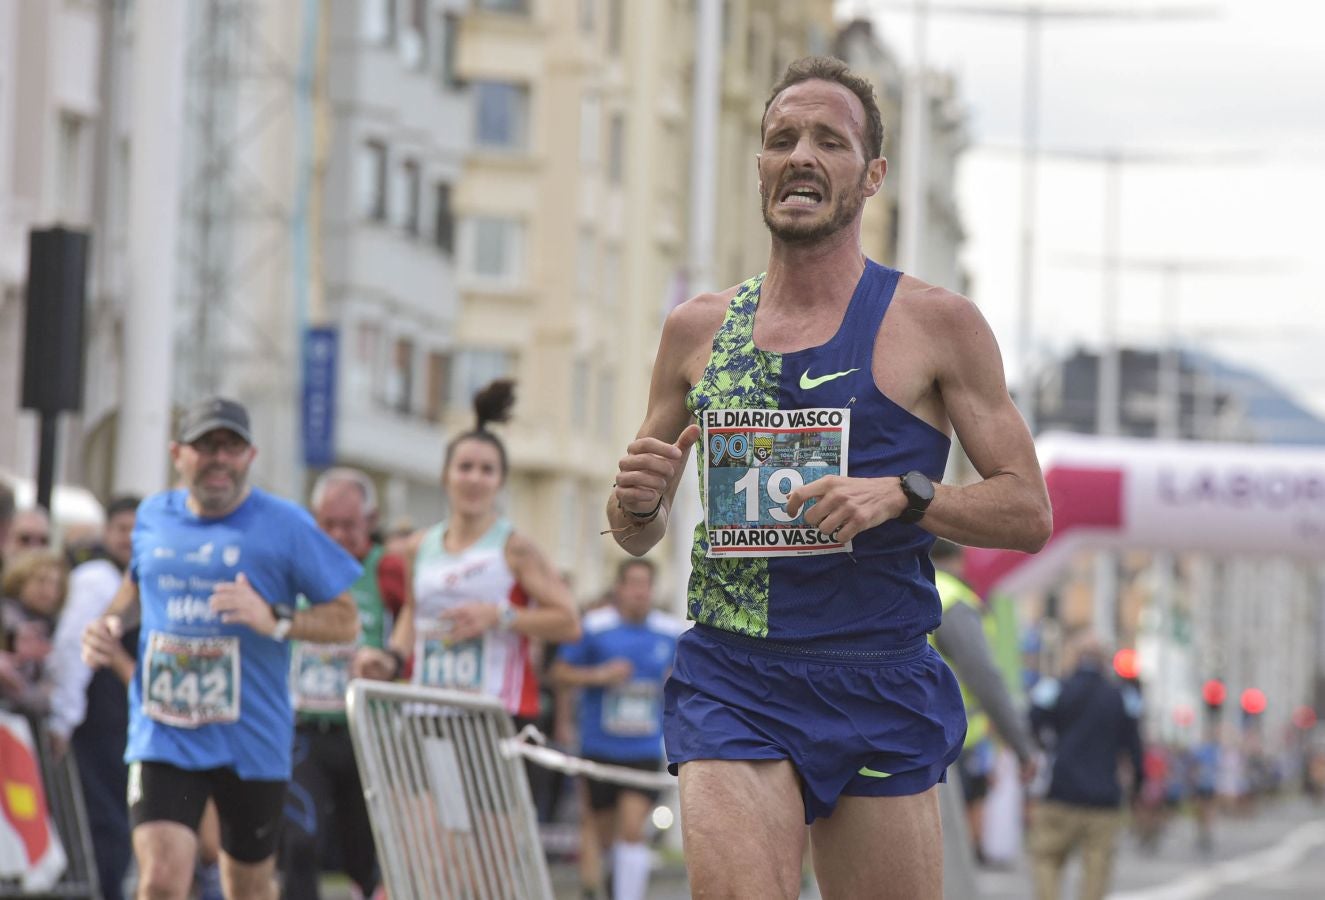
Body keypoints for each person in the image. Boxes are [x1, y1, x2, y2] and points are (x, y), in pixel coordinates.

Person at [606, 56, 1051, 898]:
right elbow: (638, 525)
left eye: (828, 141)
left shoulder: (936, 324)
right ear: (763, 168)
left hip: (875, 670)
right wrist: (635, 502)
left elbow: (1027, 510)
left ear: (871, 174)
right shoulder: (697, 329)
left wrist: (905, 495)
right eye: (781, 140)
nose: (800, 155)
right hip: (732, 673)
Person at [81, 396, 361, 900]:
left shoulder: (286, 525)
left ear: (250, 457)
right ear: (178, 454)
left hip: (250, 742)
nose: (219, 459)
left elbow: (346, 621)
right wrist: (109, 621)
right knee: (162, 879)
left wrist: (273, 618)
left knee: (247, 888)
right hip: (166, 733)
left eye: (231, 448)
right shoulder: (153, 516)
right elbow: (139, 586)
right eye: (205, 446)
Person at [281, 467, 403, 900]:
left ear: (369, 521)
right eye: (327, 524)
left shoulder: (387, 570)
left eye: (348, 525)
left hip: (367, 735)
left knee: (367, 859)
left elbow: (413, 635)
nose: (336, 535)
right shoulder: (293, 568)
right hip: (305, 732)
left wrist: (390, 661)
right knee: (298, 842)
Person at [550, 558, 685, 900]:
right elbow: (560, 674)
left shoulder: (669, 632)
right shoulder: (595, 627)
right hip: (598, 746)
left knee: (631, 828)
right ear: (620, 588)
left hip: (643, 748)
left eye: (646, 585)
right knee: (602, 833)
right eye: (633, 584)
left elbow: (683, 680)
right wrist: (599, 676)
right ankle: (600, 887)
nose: (640, 592)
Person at [47, 495, 141, 900]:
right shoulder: (99, 578)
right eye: (121, 529)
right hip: (98, 724)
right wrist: (63, 718)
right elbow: (73, 648)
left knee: (117, 822)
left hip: (123, 722)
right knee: (103, 825)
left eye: (137, 529)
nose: (129, 538)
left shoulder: (134, 579)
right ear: (106, 533)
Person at [929, 539, 1037, 863]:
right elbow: (985, 677)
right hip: (946, 740)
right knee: (947, 856)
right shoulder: (954, 600)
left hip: (905, 733)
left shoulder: (906, 586)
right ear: (960, 560)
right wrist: (1022, 746)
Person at [1027, 631, 1143, 900]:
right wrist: (1138, 784)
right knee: (1097, 870)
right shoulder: (1123, 696)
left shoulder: (1055, 688)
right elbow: (1135, 747)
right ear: (1105, 661)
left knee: (1047, 859)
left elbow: (1031, 720)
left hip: (1060, 792)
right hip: (1103, 798)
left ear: (1075, 657)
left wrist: (1044, 747)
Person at [0, 549, 66, 719]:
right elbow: (16, 685)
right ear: (20, 581)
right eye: (41, 581)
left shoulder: (48, 624)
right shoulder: (10, 620)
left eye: (56, 584)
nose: (49, 591)